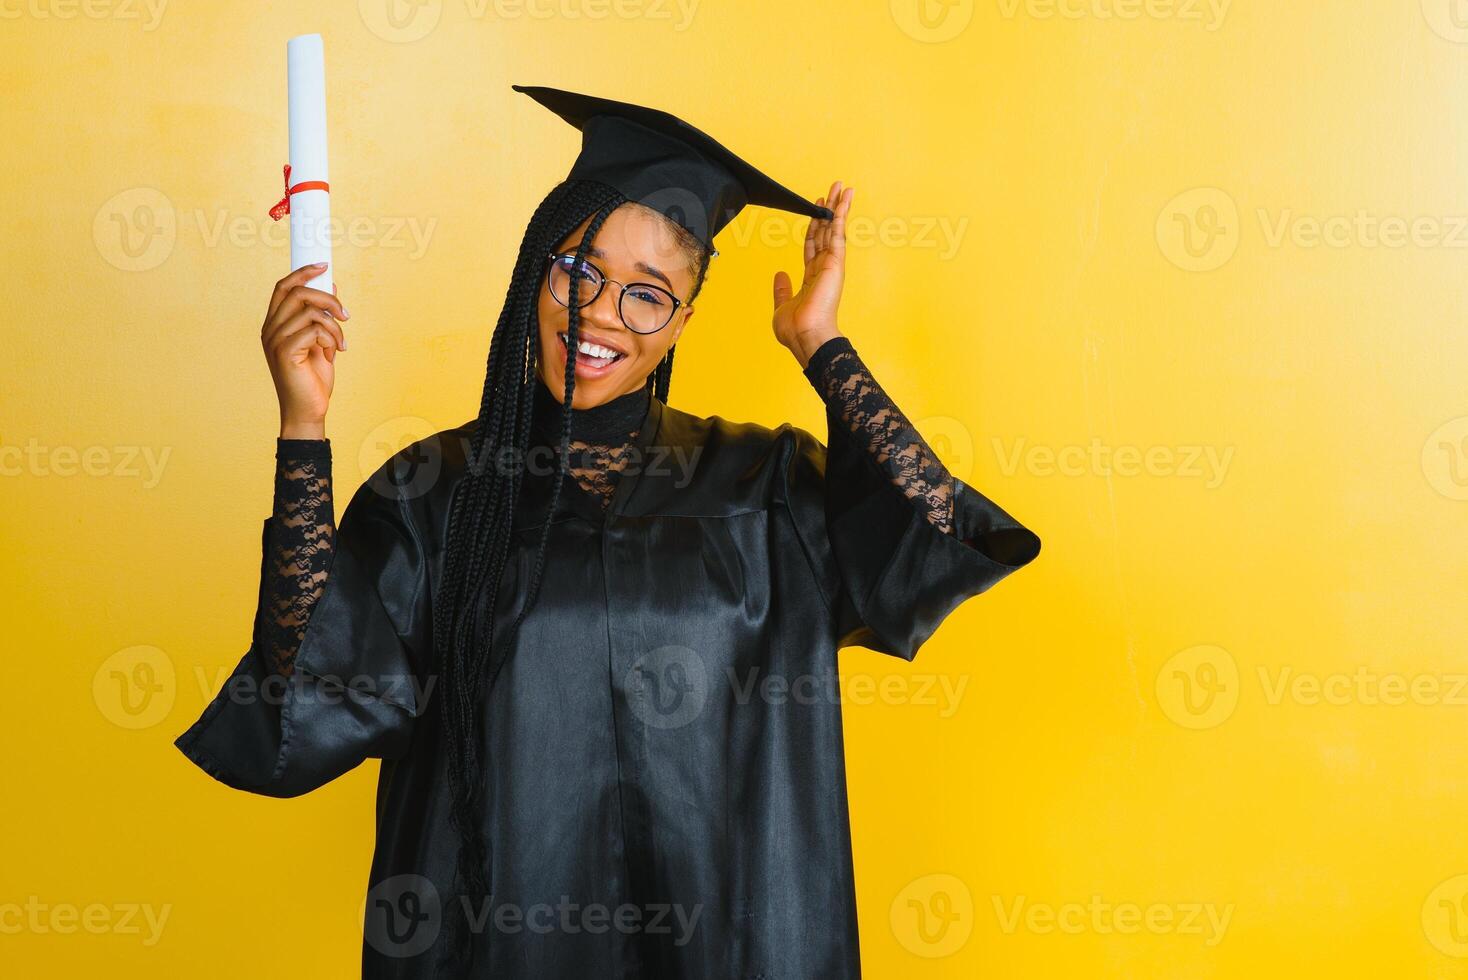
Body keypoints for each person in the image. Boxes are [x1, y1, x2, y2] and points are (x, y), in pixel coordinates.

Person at [174, 85, 1042, 978]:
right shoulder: (433, 495)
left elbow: (935, 533)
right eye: (576, 271)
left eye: (647, 295)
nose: (597, 315)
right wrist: (303, 428)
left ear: (684, 322)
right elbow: (305, 700)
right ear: (535, 269)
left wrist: (822, 346)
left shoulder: (767, 486)